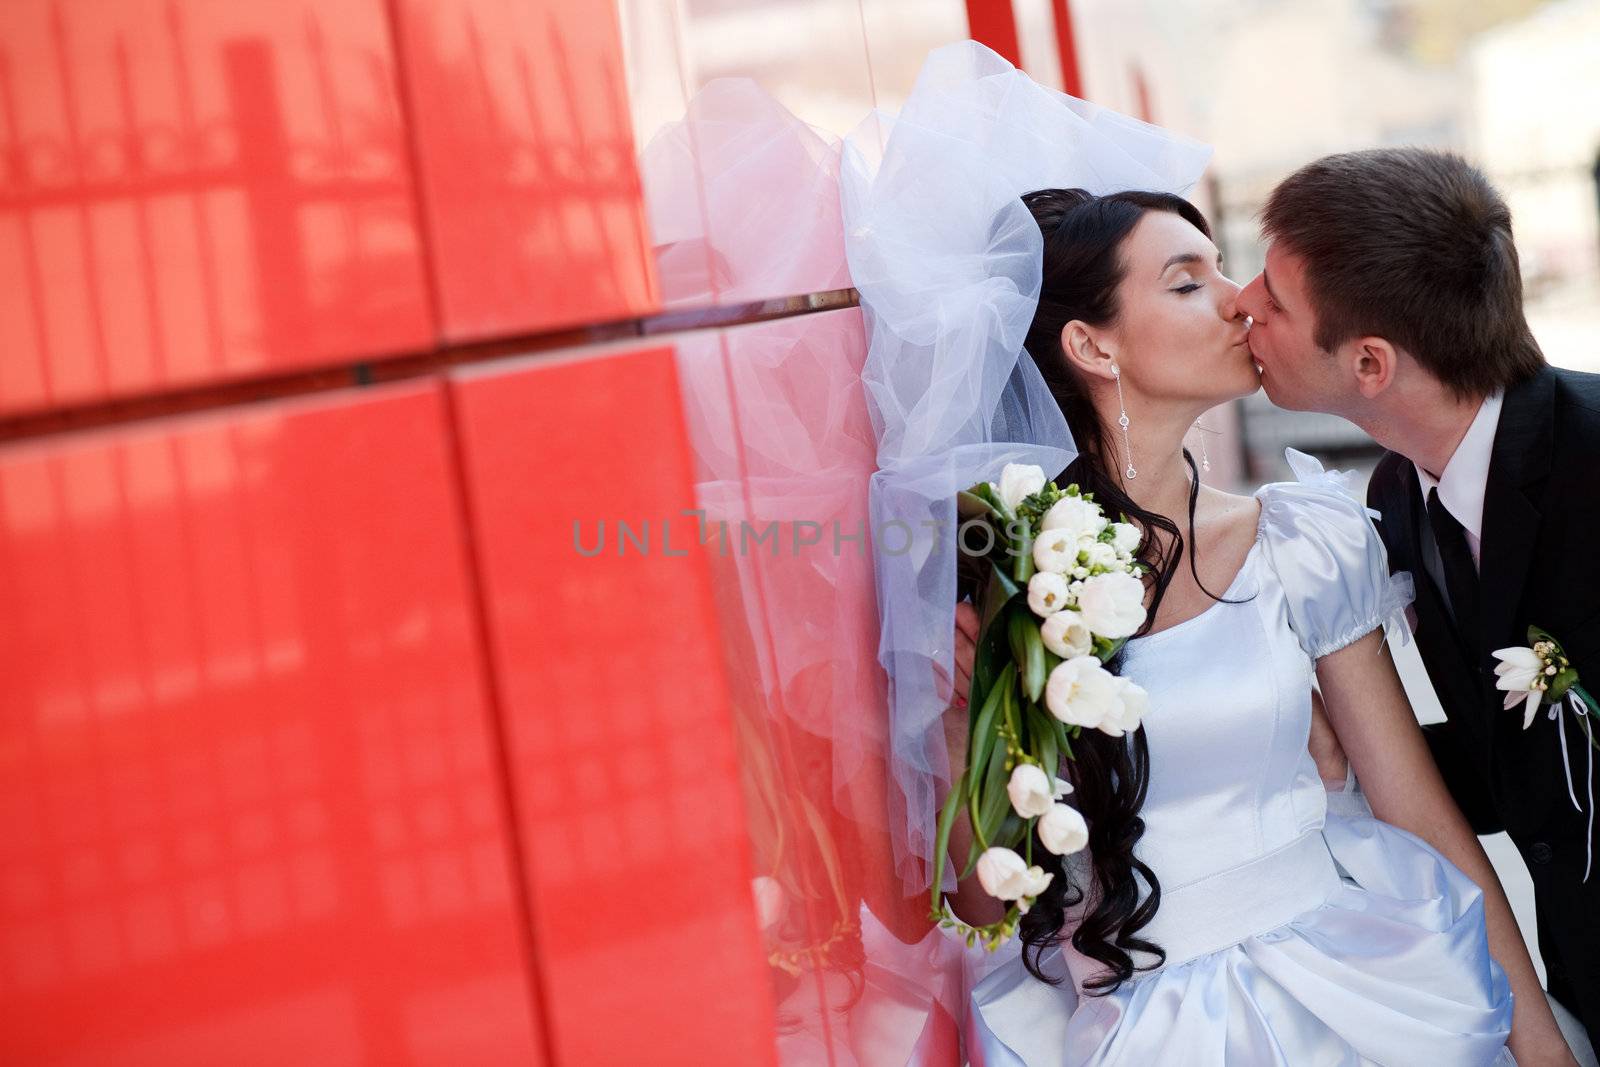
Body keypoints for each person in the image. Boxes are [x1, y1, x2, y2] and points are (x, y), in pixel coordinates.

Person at [941, 181, 1573, 1066]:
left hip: (1347, 990)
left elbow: (1416, 808)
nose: (1237, 297)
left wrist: (1540, 1041)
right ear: (1091, 343)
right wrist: (963, 725)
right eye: (1187, 281)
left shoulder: (1300, 542)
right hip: (1126, 1028)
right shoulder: (1009, 581)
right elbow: (981, 898)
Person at [1236, 146, 1600, 1058]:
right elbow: (1508, 756)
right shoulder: (1399, 498)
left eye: (1274, 298)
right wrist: (1306, 736)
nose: (1241, 302)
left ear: (1370, 364)